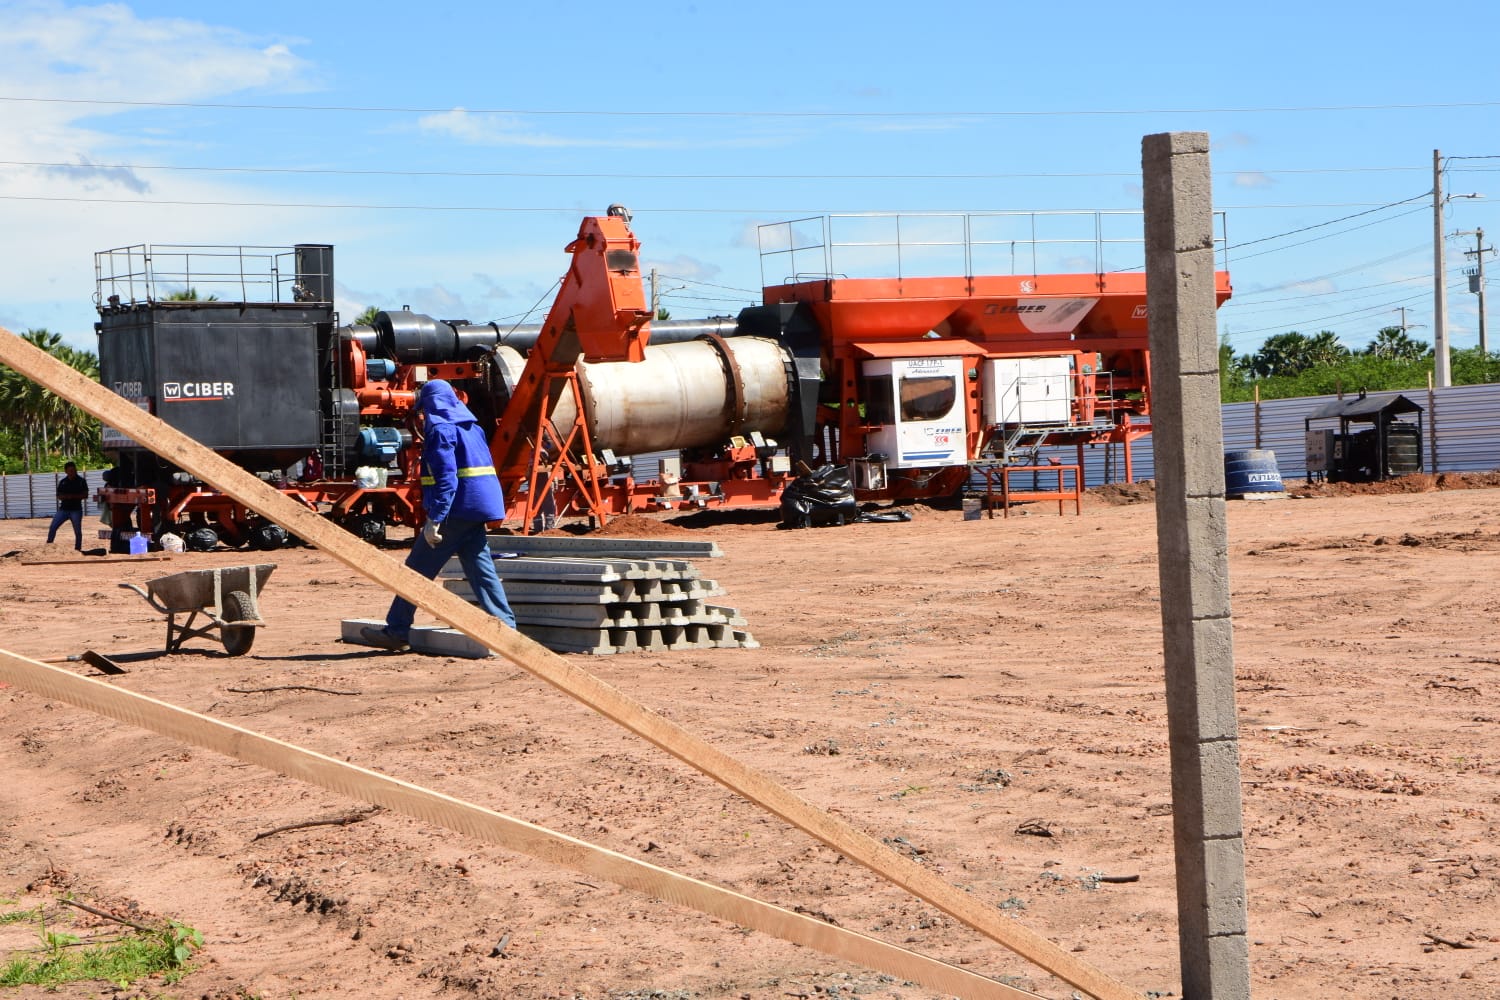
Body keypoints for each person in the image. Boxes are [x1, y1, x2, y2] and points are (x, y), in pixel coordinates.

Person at [361, 380, 516, 650]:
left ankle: (397, 630)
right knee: (481, 570)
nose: (422, 417)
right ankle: (506, 630)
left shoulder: (442, 431)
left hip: (455, 510)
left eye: (423, 410)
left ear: (431, 405)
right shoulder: (471, 427)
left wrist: (435, 520)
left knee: (416, 571)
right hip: (476, 508)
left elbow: (447, 479)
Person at [46, 461, 89, 550]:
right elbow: (58, 495)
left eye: (74, 470)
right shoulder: (63, 482)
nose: (72, 472)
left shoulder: (81, 481)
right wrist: (66, 497)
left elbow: (85, 495)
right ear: (66, 471)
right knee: (53, 527)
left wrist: (72, 496)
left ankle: (78, 549)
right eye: (70, 470)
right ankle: (48, 546)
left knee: (77, 531)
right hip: (63, 509)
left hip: (76, 509)